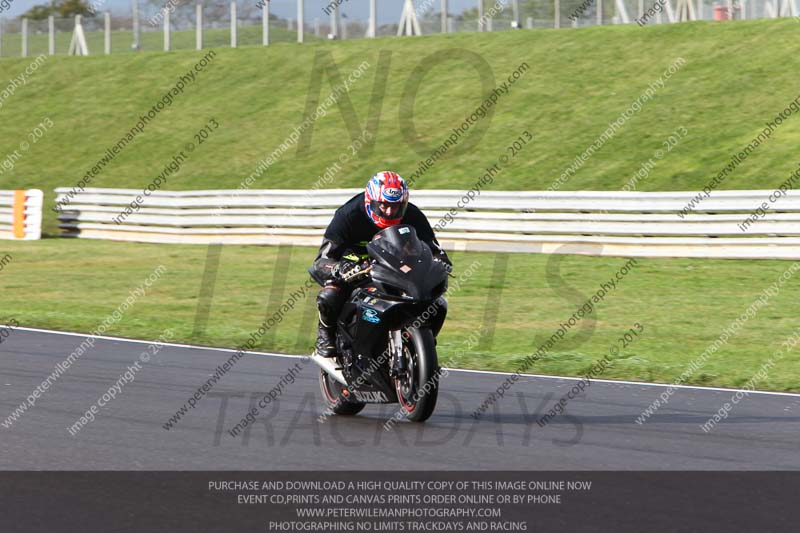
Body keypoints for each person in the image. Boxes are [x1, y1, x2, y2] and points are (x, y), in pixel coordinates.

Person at [309, 171, 451, 356]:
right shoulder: (348, 215)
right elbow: (322, 260)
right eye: (384, 205)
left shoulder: (413, 214)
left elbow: (433, 248)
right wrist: (338, 268)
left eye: (396, 206)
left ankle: (421, 344)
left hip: (393, 267)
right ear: (371, 201)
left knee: (434, 301)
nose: (390, 212)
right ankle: (325, 335)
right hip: (354, 268)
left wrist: (440, 262)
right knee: (330, 294)